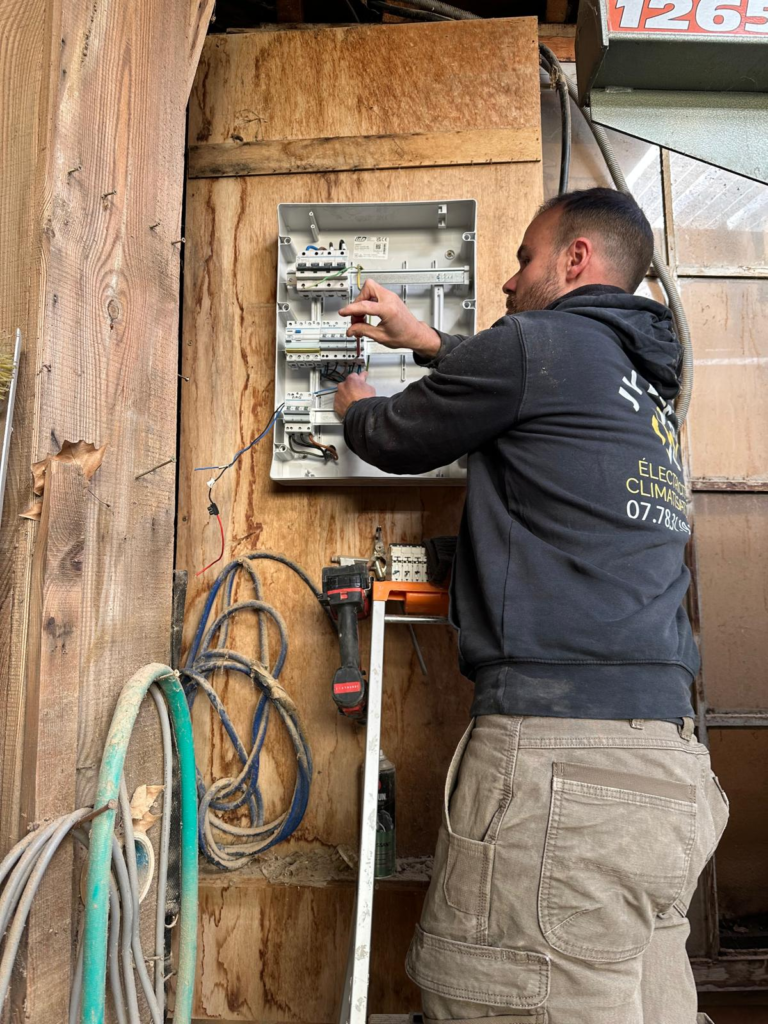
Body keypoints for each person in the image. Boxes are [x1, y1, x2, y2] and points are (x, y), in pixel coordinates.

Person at [333, 188, 728, 1024]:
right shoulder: (643, 384)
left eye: (523, 258)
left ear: (575, 259)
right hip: (671, 766)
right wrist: (431, 341)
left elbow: (394, 438)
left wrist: (353, 406)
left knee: (498, 999)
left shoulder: (535, 345)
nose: (509, 283)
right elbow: (523, 380)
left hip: (565, 768)